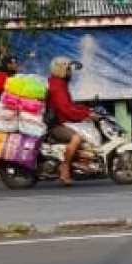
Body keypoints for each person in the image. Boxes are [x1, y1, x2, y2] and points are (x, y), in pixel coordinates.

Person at [45, 57, 92, 186]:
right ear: (61, 70)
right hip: (56, 125)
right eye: (68, 70)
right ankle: (64, 168)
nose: (70, 73)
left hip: (62, 121)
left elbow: (70, 105)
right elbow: (66, 109)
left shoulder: (59, 84)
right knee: (77, 137)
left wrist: (88, 110)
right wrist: (86, 114)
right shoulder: (57, 86)